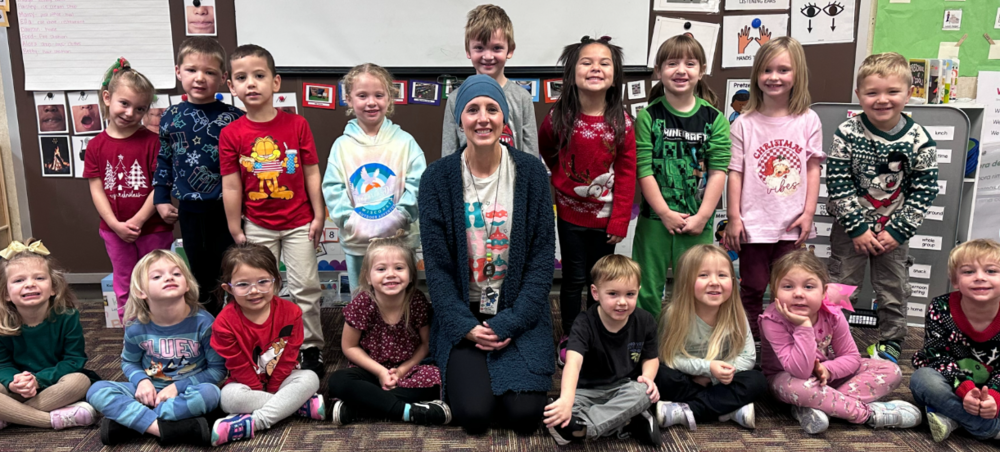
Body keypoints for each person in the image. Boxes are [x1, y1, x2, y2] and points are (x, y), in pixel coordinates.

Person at [419, 74, 555, 435]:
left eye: (492, 109)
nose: (483, 118)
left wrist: (510, 322)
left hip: (518, 312)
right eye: (472, 109)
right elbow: (438, 269)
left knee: (525, 417)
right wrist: (465, 327)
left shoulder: (531, 174)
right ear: (459, 120)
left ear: (504, 118)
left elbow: (542, 261)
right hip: (464, 313)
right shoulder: (437, 178)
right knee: (474, 416)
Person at [220, 44, 326, 378]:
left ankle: (310, 348)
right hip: (257, 225)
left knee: (305, 287)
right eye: (241, 77)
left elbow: (311, 172)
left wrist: (319, 214)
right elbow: (232, 184)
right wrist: (236, 227)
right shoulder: (231, 133)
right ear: (231, 87)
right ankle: (269, 346)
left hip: (298, 223)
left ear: (276, 83)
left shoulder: (297, 125)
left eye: (259, 76)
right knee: (260, 291)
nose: (251, 83)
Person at [826, 52, 939, 363]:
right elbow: (837, 182)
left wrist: (897, 231)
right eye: (872, 92)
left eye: (892, 92)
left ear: (909, 93)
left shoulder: (919, 139)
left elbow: (925, 190)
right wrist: (858, 228)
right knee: (840, 285)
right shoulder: (847, 132)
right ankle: (833, 338)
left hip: (894, 231)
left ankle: (891, 342)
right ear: (859, 94)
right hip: (850, 230)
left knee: (893, 290)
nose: (882, 100)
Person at [537, 36, 636, 362]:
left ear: (614, 75)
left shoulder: (622, 123)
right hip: (569, 215)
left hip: (606, 220)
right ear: (572, 72)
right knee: (572, 280)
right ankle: (569, 335)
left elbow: (626, 173)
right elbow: (546, 147)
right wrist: (560, 175)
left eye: (604, 62)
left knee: (600, 280)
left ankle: (596, 332)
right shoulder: (558, 117)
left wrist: (620, 220)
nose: (595, 68)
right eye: (586, 62)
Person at [725, 37, 824, 341]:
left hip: (791, 224)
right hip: (754, 226)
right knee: (753, 287)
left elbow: (812, 168)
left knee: (791, 289)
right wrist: (734, 217)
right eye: (767, 70)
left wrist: (809, 213)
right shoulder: (743, 123)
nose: (774, 77)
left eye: (784, 70)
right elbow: (735, 173)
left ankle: (789, 343)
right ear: (756, 75)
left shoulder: (808, 120)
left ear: (798, 75)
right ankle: (752, 344)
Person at [760, 249, 919, 434]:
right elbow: (800, 371)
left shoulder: (832, 313)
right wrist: (803, 326)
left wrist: (828, 370)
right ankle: (868, 414)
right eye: (788, 287)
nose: (798, 294)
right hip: (789, 380)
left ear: (823, 291)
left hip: (826, 378)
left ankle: (818, 406)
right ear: (774, 291)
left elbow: (851, 357)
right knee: (801, 388)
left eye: (809, 287)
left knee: (891, 370)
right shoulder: (772, 320)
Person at [633, 35, 731, 317]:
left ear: (701, 71)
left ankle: (689, 344)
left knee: (694, 288)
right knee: (647, 288)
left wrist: (702, 217)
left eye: (690, 63)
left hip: (697, 221)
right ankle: (647, 343)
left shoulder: (715, 119)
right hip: (655, 220)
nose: (681, 70)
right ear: (658, 70)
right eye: (672, 63)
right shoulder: (648, 117)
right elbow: (644, 170)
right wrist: (664, 213)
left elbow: (718, 172)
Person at [86, 250, 225, 446]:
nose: (168, 277)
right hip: (148, 391)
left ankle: (131, 422)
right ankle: (165, 429)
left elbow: (217, 370)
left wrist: (178, 387)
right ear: (140, 291)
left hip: (187, 391)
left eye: (176, 274)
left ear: (187, 284)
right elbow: (129, 362)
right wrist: (142, 381)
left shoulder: (204, 323)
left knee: (211, 394)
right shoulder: (136, 327)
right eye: (157, 276)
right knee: (96, 390)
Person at [153, 37, 245, 315]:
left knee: (230, 269)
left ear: (224, 78)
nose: (200, 78)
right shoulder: (170, 116)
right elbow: (164, 158)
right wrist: (160, 197)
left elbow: (245, 167)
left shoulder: (235, 118)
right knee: (199, 271)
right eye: (192, 70)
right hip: (190, 210)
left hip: (227, 209)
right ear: (178, 71)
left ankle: (235, 323)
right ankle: (207, 329)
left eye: (210, 72)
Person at [84, 57, 174, 322]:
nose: (130, 113)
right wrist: (114, 224)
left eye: (140, 109)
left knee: (158, 281)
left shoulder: (153, 142)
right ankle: (132, 335)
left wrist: (137, 220)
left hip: (153, 228)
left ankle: (162, 327)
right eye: (124, 103)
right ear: (107, 97)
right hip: (114, 231)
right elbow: (96, 189)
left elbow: (160, 184)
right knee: (125, 282)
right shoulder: (96, 146)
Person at [322, 63, 427, 290]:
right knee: (363, 304)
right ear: (349, 99)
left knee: (402, 301)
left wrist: (400, 215)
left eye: (379, 95)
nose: (371, 102)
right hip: (358, 243)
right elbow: (332, 187)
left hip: (400, 242)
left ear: (390, 98)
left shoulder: (405, 142)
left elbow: (419, 183)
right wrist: (350, 221)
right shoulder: (341, 146)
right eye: (362, 95)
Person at [327, 233, 449, 426]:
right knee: (338, 381)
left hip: (409, 370)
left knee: (438, 379)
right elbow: (349, 347)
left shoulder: (416, 300)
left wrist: (401, 371)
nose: (390, 274)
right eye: (381, 269)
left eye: (399, 268)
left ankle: (359, 407)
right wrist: (381, 372)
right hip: (369, 371)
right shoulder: (362, 303)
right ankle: (407, 411)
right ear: (368, 276)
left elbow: (426, 344)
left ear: (411, 276)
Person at [209, 242, 324, 446]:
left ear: (276, 281)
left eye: (263, 282)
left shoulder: (292, 312)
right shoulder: (224, 323)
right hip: (245, 384)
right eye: (243, 285)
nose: (255, 291)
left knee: (310, 377)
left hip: (284, 379)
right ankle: (298, 406)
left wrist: (274, 387)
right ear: (228, 288)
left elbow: (289, 357)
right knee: (228, 399)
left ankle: (253, 423)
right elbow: (238, 365)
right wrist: (263, 392)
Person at [544, 255, 661, 446]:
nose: (622, 302)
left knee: (645, 392)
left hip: (623, 388)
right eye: (613, 294)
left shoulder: (646, 321)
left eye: (630, 294)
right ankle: (627, 422)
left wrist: (648, 377)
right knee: (556, 409)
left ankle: (582, 429)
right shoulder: (584, 323)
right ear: (595, 293)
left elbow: (651, 357)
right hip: (586, 391)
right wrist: (565, 400)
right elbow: (573, 363)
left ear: (638, 291)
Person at [655, 245, 766, 431]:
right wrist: (707, 368)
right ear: (685, 282)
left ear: (732, 280)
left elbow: (747, 358)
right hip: (689, 378)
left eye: (722, 275)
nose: (714, 282)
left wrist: (714, 377)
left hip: (723, 380)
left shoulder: (737, 314)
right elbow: (668, 357)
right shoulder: (674, 314)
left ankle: (686, 410)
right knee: (661, 375)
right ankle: (728, 408)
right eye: (703, 275)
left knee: (757, 381)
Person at [0, 240, 99, 430]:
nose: (30, 284)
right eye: (19, 280)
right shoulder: (2, 323)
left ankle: (11, 415)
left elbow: (74, 360)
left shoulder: (67, 317)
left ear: (53, 287)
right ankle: (51, 420)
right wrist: (13, 382)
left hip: (55, 385)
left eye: (39, 278)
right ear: (6, 294)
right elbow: (2, 364)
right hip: (18, 388)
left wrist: (39, 380)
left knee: (80, 381)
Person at [911, 239, 1000, 442]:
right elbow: (937, 357)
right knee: (922, 379)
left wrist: (995, 397)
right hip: (952, 383)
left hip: (995, 388)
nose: (979, 278)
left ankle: (955, 419)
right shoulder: (940, 307)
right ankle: (990, 429)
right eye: (968, 272)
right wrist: (965, 390)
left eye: (991, 271)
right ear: (955, 280)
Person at [440, 4, 538, 159]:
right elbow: (448, 154)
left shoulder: (521, 98)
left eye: (497, 48)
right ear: (468, 51)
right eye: (479, 48)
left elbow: (530, 154)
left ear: (510, 50)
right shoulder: (455, 99)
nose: (487, 56)